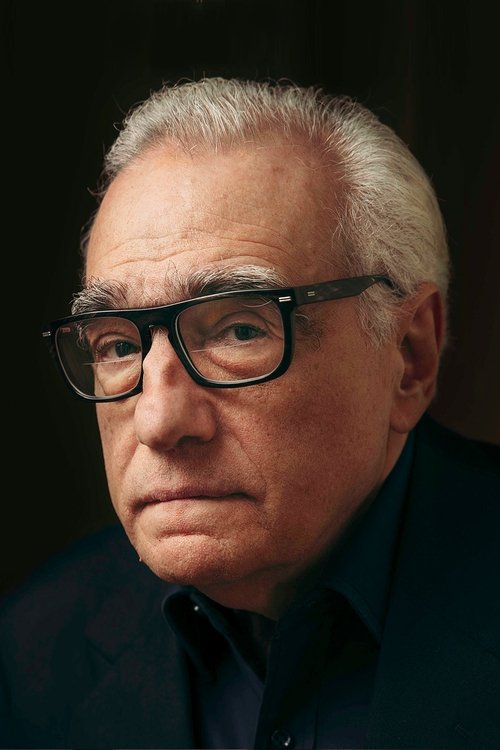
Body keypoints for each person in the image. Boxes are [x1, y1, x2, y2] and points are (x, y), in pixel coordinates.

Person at [1, 77, 499, 750]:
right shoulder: (34, 654)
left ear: (409, 356)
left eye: (240, 330)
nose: (158, 421)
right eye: (118, 345)